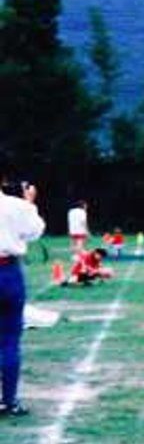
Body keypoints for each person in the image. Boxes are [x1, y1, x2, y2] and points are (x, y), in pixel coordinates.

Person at [1, 176, 47, 417]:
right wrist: (29, 202)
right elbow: (35, 232)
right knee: (9, 341)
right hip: (7, 271)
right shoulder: (15, 205)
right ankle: (8, 400)